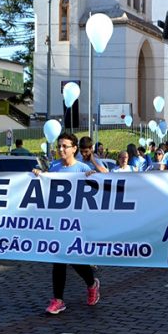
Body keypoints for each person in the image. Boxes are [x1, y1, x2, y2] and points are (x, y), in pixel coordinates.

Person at [33, 132, 100, 314]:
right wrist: (40, 175)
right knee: (59, 259)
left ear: (74, 149)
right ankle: (58, 300)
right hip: (58, 222)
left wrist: (93, 178)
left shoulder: (82, 169)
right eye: (59, 146)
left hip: (77, 222)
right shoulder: (54, 167)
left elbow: (96, 192)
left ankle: (91, 283)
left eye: (65, 146)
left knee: (75, 259)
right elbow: (47, 187)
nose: (61, 149)